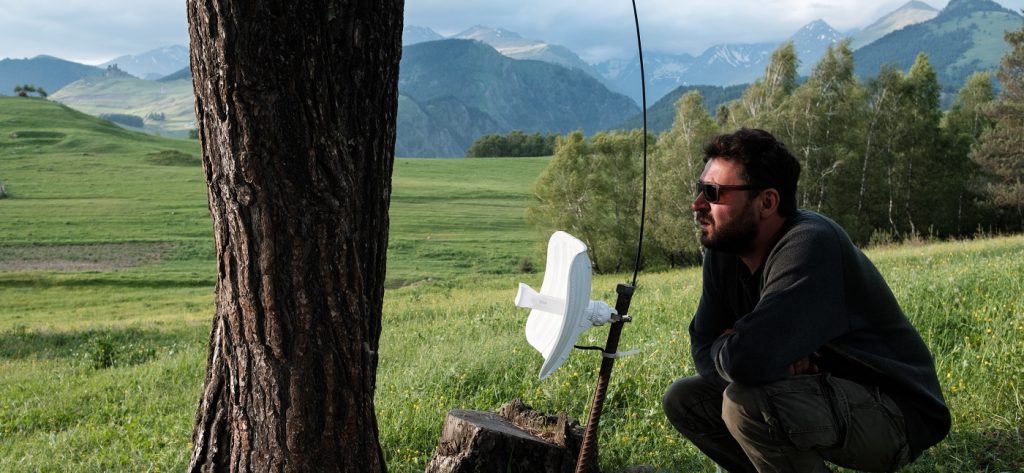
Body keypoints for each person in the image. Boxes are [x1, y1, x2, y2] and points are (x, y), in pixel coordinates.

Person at [662, 128, 950, 472]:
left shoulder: (810, 243)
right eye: (700, 190)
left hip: (894, 411)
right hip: (818, 396)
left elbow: (744, 359)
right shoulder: (724, 253)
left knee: (745, 404)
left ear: (767, 202)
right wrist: (769, 363)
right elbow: (705, 348)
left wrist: (751, 355)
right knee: (684, 400)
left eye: (713, 193)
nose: (697, 204)